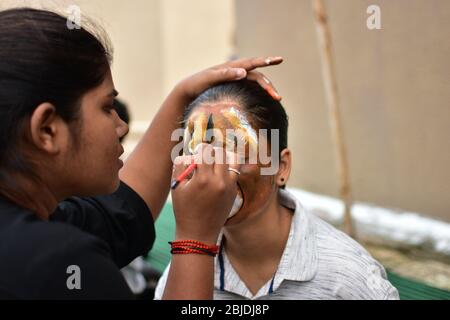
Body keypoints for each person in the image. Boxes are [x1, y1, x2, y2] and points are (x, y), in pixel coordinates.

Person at [0, 7, 282, 299]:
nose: (121, 127)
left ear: (282, 164)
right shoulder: (60, 264)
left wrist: (181, 95)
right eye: (107, 107)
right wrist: (195, 238)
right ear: (47, 130)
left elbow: (123, 215)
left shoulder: (35, 226)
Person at [154, 80, 400, 300]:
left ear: (281, 167)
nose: (207, 165)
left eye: (231, 146)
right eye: (194, 149)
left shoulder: (349, 277)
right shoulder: (183, 274)